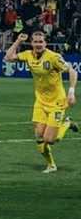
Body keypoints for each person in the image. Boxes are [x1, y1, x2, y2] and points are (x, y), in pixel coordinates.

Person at [5, 32, 78, 173]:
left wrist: (71, 91)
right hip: (40, 102)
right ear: (32, 43)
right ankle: (51, 165)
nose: (38, 44)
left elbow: (72, 71)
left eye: (41, 42)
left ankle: (67, 123)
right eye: (36, 42)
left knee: (50, 140)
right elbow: (8, 57)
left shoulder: (53, 57)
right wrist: (18, 41)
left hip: (57, 102)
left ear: (45, 43)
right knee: (39, 136)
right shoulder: (27, 55)